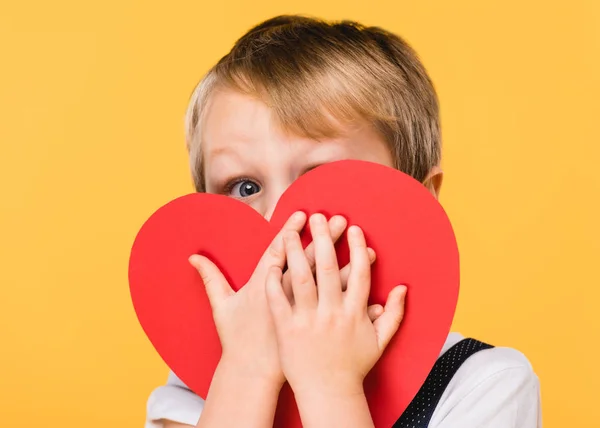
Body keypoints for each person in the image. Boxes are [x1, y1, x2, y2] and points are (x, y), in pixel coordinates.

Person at [145, 15, 541, 428]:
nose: (280, 223)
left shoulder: (482, 384)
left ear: (419, 201)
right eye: (245, 187)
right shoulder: (202, 382)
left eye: (320, 180)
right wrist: (245, 371)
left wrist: (330, 384)